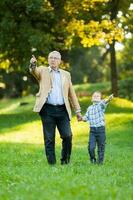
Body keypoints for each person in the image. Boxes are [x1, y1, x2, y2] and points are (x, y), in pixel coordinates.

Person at [29, 51, 82, 165]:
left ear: (59, 61)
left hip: (63, 110)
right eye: (51, 58)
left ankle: (65, 161)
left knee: (67, 136)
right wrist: (33, 65)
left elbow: (71, 93)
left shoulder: (66, 75)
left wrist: (77, 110)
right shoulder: (42, 70)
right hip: (47, 110)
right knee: (49, 138)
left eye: (56, 58)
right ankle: (52, 164)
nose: (53, 60)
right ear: (48, 60)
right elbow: (35, 72)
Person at [82, 91, 113, 164]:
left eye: (97, 96)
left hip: (100, 130)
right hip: (92, 131)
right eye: (94, 96)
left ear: (100, 98)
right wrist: (81, 118)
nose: (95, 97)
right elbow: (86, 117)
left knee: (101, 147)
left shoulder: (101, 106)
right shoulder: (89, 108)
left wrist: (108, 99)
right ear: (91, 98)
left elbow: (104, 102)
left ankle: (100, 162)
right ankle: (92, 159)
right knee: (91, 147)